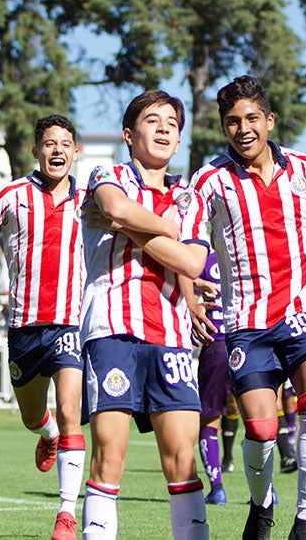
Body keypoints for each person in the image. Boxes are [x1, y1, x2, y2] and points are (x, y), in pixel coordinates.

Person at [182, 75, 306, 540]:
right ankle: (262, 504)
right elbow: (189, 245)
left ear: (269, 121)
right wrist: (192, 297)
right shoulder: (210, 179)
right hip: (246, 323)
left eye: (252, 118)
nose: (243, 129)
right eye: (233, 122)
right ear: (224, 128)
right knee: (262, 428)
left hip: (303, 313)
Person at [79, 90, 209, 540]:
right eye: (152, 121)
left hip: (171, 333)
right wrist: (160, 226)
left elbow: (192, 263)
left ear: (177, 142)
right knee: (109, 455)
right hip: (112, 328)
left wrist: (128, 228)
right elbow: (113, 206)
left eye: (172, 123)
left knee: (182, 458)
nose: (163, 128)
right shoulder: (106, 173)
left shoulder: (189, 197)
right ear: (129, 135)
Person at [0, 114, 87, 540]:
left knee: (71, 412)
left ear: (75, 151)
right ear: (36, 150)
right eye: (49, 143)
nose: (57, 150)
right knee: (34, 416)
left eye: (65, 143)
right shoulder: (12, 195)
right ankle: (44, 433)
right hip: (24, 326)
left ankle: (66, 513)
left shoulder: (92, 199)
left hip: (70, 322)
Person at [191, 250, 233, 505]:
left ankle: (217, 488)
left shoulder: (202, 260)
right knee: (260, 417)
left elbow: (183, 284)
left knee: (208, 420)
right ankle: (267, 490)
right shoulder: (247, 253)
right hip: (248, 341)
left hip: (216, 345)